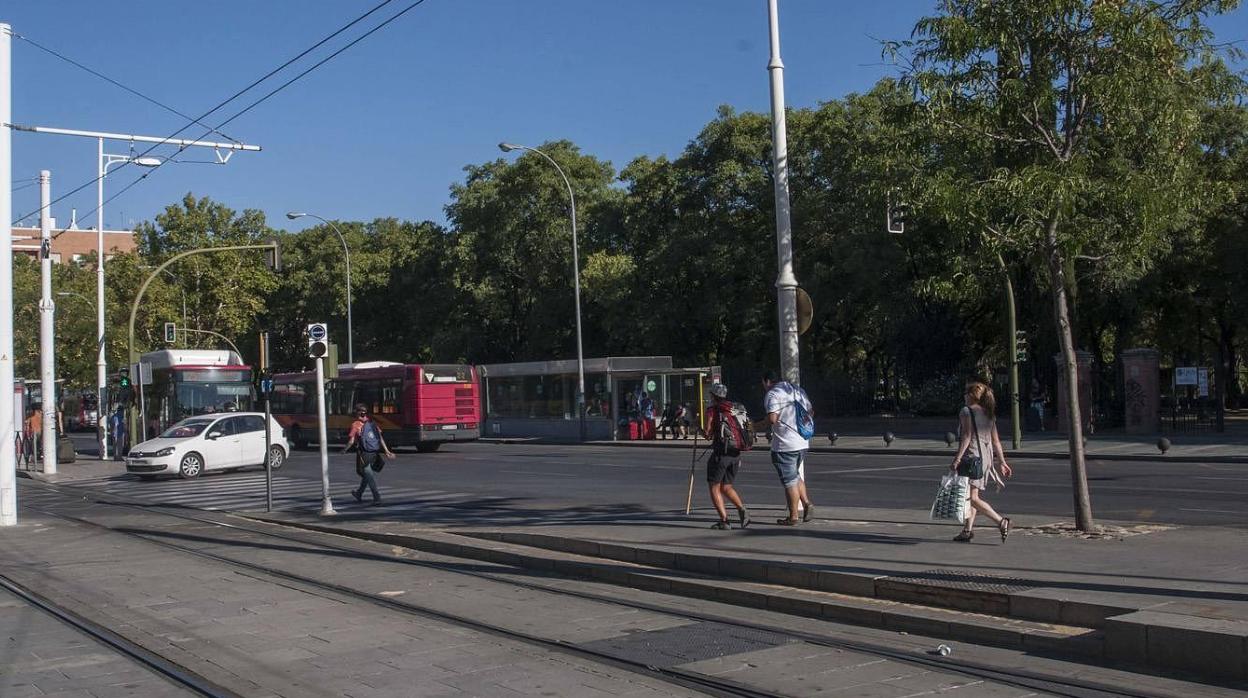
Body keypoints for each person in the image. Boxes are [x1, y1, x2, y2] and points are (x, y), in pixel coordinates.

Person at [949, 381, 1014, 542]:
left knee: (972, 498)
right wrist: (1002, 462)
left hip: (972, 458)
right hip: (985, 459)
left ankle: (1001, 521)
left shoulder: (966, 411)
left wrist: (957, 458)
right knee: (972, 494)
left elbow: (966, 436)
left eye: (966, 393)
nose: (964, 396)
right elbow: (996, 441)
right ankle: (967, 531)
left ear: (972, 396)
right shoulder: (988, 413)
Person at [762, 372, 815, 525]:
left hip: (785, 444)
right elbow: (811, 412)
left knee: (789, 481)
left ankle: (793, 517)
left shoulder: (773, 393)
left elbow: (772, 419)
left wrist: (755, 426)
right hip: (802, 442)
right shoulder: (797, 390)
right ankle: (806, 503)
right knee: (795, 475)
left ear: (767, 381)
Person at [701, 383, 751, 530]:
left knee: (714, 487)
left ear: (713, 396)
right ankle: (742, 509)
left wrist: (699, 427)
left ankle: (724, 520)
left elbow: (708, 435)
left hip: (721, 454)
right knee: (727, 486)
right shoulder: (734, 409)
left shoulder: (713, 410)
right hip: (736, 454)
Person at [344, 403, 395, 506]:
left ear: (358, 413)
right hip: (374, 453)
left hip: (364, 454)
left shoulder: (356, 425)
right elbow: (379, 438)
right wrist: (386, 451)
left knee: (366, 474)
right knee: (368, 474)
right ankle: (359, 493)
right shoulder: (372, 423)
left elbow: (351, 441)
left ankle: (377, 497)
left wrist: (344, 450)